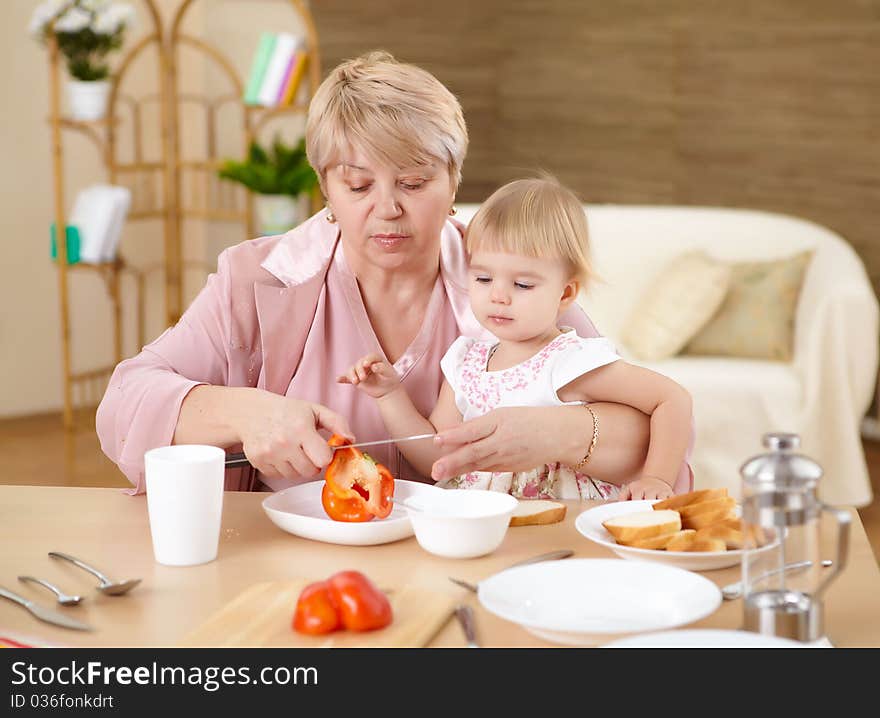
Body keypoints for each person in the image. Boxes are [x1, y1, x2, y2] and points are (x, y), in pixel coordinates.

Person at [96, 50, 692, 496]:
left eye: (413, 182)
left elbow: (658, 448)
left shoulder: (511, 281)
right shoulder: (257, 279)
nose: (387, 208)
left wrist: (562, 433)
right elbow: (122, 405)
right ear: (326, 187)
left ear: (454, 179)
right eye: (357, 184)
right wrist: (243, 412)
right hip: (291, 562)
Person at [339, 177, 693, 501]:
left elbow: (671, 398)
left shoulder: (570, 361)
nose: (499, 296)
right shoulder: (466, 362)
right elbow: (438, 454)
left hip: (555, 527)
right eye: (482, 279)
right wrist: (389, 395)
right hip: (481, 528)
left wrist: (658, 479)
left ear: (565, 294)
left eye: (521, 284)